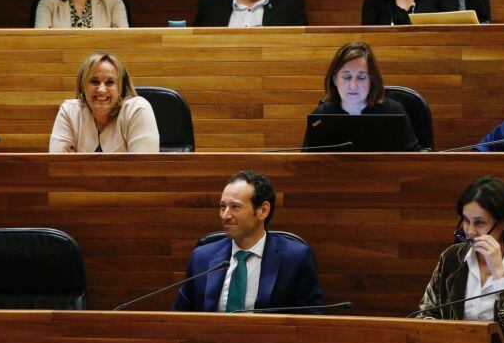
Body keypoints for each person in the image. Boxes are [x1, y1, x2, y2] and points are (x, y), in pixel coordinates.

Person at [416, 176, 504, 343]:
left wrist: (500, 274)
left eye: (479, 223)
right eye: (466, 221)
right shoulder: (451, 258)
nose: (470, 231)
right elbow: (425, 313)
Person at [172, 170, 324, 313]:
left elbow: (310, 322)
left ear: (263, 210)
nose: (225, 216)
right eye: (222, 207)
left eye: (235, 207)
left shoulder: (295, 259)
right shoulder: (202, 257)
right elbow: (178, 319)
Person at [303, 41, 423, 151]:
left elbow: (414, 160)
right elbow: (306, 164)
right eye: (346, 77)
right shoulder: (321, 116)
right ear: (335, 79)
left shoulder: (394, 112)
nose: (353, 85)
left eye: (361, 77)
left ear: (371, 79)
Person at [48, 52, 159, 153]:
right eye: (94, 81)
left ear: (120, 88)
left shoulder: (138, 110)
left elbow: (143, 170)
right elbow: (58, 168)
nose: (101, 89)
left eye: (110, 83)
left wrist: (79, 163)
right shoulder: (69, 111)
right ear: (83, 86)